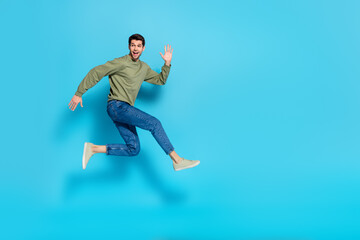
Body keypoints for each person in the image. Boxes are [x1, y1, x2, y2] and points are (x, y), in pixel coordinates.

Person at [68, 33, 200, 171]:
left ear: (143, 48)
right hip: (116, 106)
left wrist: (167, 64)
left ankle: (93, 148)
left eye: (138, 46)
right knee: (154, 123)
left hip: (123, 109)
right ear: (129, 47)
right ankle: (177, 160)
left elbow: (160, 80)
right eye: (132, 45)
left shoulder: (143, 68)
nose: (135, 49)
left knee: (134, 149)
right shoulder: (121, 63)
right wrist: (79, 93)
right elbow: (97, 72)